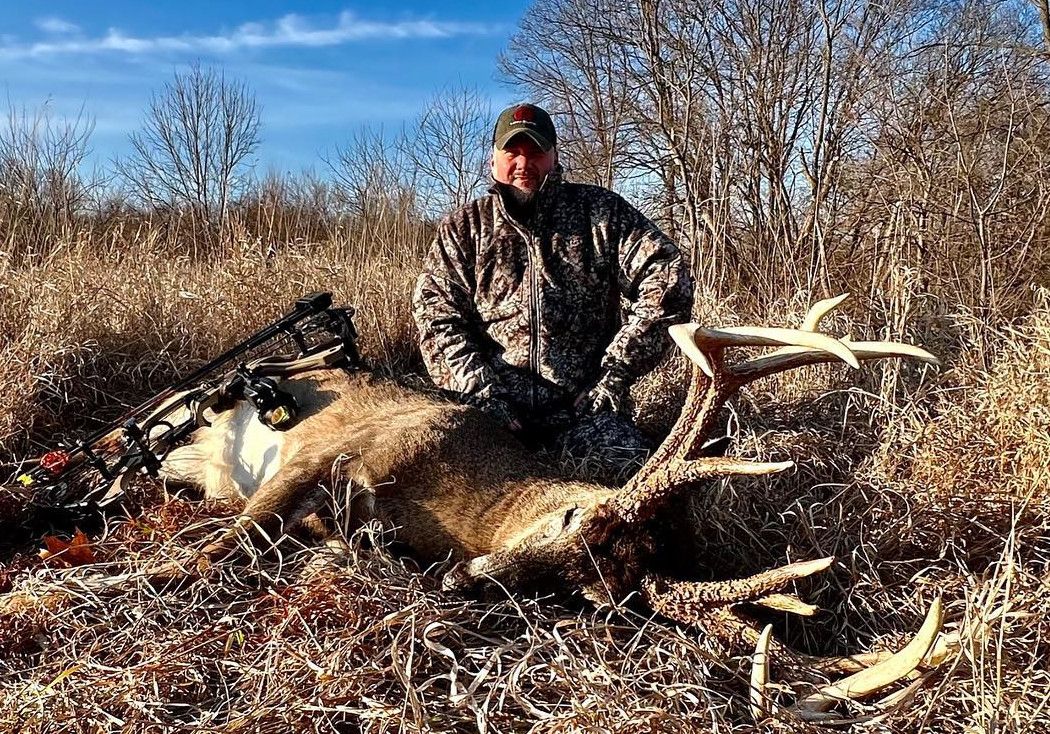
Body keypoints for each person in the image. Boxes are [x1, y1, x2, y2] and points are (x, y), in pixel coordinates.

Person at [412, 102, 692, 480]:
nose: (523, 163)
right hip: (487, 415)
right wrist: (482, 395)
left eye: (536, 152)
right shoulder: (464, 228)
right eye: (512, 151)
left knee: (638, 486)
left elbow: (667, 273)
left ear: (555, 157)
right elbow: (436, 316)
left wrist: (613, 375)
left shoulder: (600, 213)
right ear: (494, 160)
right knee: (431, 486)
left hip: (585, 414)